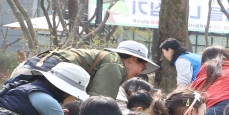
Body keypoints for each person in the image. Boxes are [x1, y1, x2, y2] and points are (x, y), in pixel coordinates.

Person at [12, 40, 156, 100]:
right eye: (142, 66)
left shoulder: (107, 59)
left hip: (28, 69)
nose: (141, 72)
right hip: (47, 75)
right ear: (132, 59)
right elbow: (99, 102)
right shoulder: (115, 64)